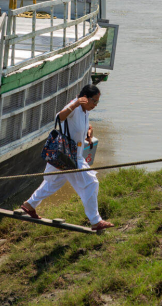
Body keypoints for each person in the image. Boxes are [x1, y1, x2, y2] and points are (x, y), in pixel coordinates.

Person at [20, 84, 115, 231]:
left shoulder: (85, 110)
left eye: (98, 102)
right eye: (94, 101)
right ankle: (96, 221)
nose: (95, 105)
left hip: (68, 154)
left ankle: (29, 205)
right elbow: (60, 116)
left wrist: (88, 131)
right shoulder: (76, 105)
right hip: (69, 155)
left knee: (53, 182)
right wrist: (76, 103)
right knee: (91, 183)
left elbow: (78, 125)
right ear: (85, 98)